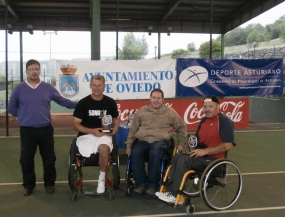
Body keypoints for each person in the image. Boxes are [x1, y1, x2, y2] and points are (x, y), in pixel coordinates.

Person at [8, 59, 77, 196]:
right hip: (27, 131)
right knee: (26, 159)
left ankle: (50, 184)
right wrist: (23, 117)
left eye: (37, 69)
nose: (34, 71)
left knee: (49, 158)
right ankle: (28, 185)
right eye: (32, 69)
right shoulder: (19, 89)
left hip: (45, 129)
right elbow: (11, 107)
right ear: (26, 71)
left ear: (40, 71)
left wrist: (80, 104)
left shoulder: (48, 88)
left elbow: (63, 101)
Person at [155, 95, 235, 204]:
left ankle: (174, 194)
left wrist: (205, 151)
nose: (207, 109)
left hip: (215, 160)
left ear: (218, 107)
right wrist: (192, 145)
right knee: (177, 157)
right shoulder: (203, 120)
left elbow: (227, 146)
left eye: (210, 106)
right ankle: (169, 190)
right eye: (205, 107)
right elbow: (197, 142)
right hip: (201, 156)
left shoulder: (224, 121)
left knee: (184, 161)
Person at [125, 88, 187, 196]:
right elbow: (133, 130)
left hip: (160, 141)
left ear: (163, 100)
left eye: (159, 98)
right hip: (143, 140)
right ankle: (140, 184)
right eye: (154, 97)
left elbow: (181, 127)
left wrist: (181, 144)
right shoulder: (141, 111)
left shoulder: (170, 113)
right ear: (150, 98)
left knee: (154, 152)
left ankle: (152, 186)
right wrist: (129, 145)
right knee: (135, 152)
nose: (156, 100)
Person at [73, 75, 119, 194]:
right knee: (86, 154)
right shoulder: (83, 103)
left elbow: (116, 118)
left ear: (104, 86)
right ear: (90, 85)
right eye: (94, 85)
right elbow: (76, 124)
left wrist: (115, 128)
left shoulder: (110, 102)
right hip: (86, 135)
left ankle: (102, 179)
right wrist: (92, 131)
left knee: (104, 149)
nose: (97, 88)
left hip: (104, 135)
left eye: (99, 85)